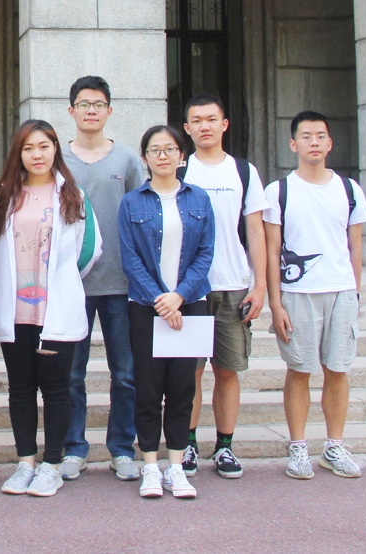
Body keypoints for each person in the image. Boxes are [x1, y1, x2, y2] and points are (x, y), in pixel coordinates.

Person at [0, 119, 101, 498]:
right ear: (18, 153)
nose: (37, 154)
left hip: (55, 309)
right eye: (28, 148)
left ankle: (51, 465)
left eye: (44, 146)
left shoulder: (73, 195)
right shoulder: (5, 195)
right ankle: (25, 463)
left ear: (55, 149)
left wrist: (63, 281)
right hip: (15, 309)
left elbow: (89, 250)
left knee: (55, 388)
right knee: (20, 388)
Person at [264, 110, 366, 480]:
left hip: (340, 290)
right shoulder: (279, 191)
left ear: (330, 143)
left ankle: (334, 446)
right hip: (298, 294)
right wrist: (275, 303)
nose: (314, 142)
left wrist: (355, 294)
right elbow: (272, 250)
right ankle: (298, 447)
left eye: (320, 136)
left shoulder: (349, 190)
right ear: (293, 144)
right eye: (306, 136)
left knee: (337, 370)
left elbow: (355, 247)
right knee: (299, 371)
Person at [118, 125, 214, 500]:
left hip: (191, 305)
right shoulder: (132, 203)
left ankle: (176, 466)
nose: (162, 156)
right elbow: (130, 260)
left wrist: (179, 296)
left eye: (169, 149)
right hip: (146, 307)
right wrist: (162, 299)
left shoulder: (199, 199)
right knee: (147, 389)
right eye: (154, 150)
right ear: (144, 158)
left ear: (182, 156)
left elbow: (205, 253)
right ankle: (150, 466)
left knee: (182, 388)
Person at [59, 76, 145, 483]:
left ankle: (122, 449)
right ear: (71, 110)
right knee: (71, 375)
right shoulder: (57, 159)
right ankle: (73, 448)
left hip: (121, 285)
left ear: (109, 111)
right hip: (72, 285)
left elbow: (141, 215)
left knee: (125, 374)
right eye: (83, 104)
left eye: (98, 104)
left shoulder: (126, 159)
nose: (90, 110)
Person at [179, 94, 269, 480]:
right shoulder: (181, 171)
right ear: (187, 128)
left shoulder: (243, 172)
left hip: (234, 285)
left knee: (228, 370)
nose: (205, 126)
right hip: (191, 289)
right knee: (190, 372)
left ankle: (225, 446)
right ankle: (186, 443)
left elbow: (256, 231)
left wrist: (260, 285)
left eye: (211, 119)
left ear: (224, 124)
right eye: (197, 120)